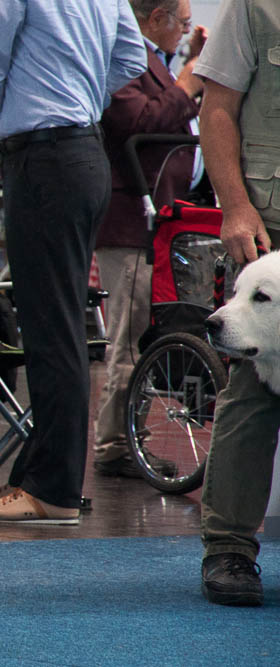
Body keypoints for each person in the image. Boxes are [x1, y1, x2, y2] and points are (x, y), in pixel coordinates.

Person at [0, 1, 148, 524]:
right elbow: (132, 57)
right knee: (60, 322)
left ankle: (52, 488)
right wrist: (78, 94)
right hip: (85, 152)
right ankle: (42, 478)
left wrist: (4, 106)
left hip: (44, 157)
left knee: (52, 328)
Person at [93, 0, 206, 479]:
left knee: (142, 332)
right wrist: (187, 81)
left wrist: (183, 68)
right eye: (181, 23)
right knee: (129, 336)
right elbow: (139, 122)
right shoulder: (122, 59)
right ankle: (115, 442)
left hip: (162, 219)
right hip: (131, 221)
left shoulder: (154, 62)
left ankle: (124, 438)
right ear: (154, 17)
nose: (184, 30)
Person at [193, 0, 280, 607]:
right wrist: (234, 205)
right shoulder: (253, 7)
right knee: (252, 391)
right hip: (268, 226)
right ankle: (229, 548)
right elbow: (215, 108)